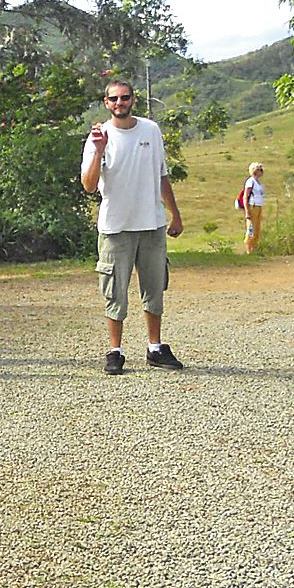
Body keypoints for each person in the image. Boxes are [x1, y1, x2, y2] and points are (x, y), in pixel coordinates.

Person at [78, 81, 185, 374]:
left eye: (125, 98)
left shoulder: (151, 130)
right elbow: (88, 185)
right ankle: (115, 351)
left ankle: (155, 347)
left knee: (154, 287)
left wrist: (174, 214)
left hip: (151, 223)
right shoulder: (99, 137)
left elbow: (162, 174)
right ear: (106, 102)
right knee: (115, 289)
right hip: (116, 227)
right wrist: (99, 150)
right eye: (114, 99)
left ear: (133, 99)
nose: (120, 103)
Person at [240, 162, 266, 254]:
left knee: (257, 229)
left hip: (259, 207)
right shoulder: (250, 181)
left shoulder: (258, 183)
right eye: (260, 170)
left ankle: (254, 249)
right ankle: (248, 250)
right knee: (251, 228)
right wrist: (247, 211)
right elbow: (245, 197)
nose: (262, 172)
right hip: (252, 206)